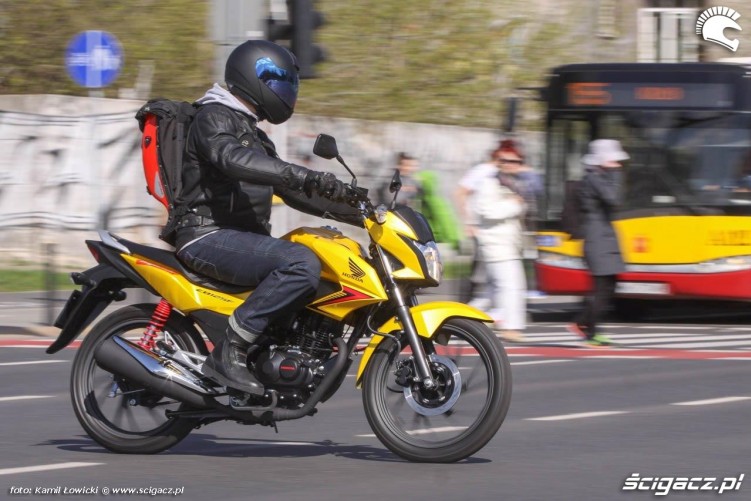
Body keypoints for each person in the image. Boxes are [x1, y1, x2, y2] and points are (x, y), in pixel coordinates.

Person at [173, 40, 358, 394]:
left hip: (240, 239)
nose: (289, 92)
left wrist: (362, 212)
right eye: (284, 82)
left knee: (322, 268)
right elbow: (229, 157)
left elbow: (293, 193)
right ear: (257, 77)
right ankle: (230, 350)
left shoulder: (253, 133)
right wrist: (298, 172)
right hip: (206, 235)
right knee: (300, 263)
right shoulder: (212, 117)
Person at [567, 139, 629, 347]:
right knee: (603, 287)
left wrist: (612, 173)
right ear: (603, 160)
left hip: (603, 237)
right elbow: (614, 199)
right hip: (597, 240)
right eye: (614, 160)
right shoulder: (595, 178)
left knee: (608, 286)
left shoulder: (598, 177)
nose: (618, 164)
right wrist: (616, 174)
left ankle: (585, 324)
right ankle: (587, 328)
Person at [468, 141, 528, 342]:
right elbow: (487, 211)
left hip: (508, 244)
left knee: (492, 292)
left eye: (515, 161)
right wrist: (514, 205)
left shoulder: (514, 184)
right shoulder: (489, 183)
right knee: (511, 286)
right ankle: (510, 327)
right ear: (498, 162)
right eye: (505, 160)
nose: (510, 164)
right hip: (496, 244)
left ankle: (463, 318)